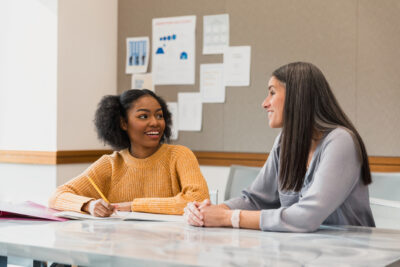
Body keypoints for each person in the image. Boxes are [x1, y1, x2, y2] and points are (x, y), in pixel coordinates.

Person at [184, 62, 375, 232]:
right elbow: (256, 199)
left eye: (272, 92)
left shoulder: (341, 141)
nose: (264, 103)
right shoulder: (285, 142)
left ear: (296, 97)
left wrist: (229, 218)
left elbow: (305, 218)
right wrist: (212, 211)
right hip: (304, 252)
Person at [49, 89, 209, 217]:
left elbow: (198, 200)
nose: (155, 122)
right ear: (123, 123)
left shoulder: (180, 155)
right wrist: (88, 205)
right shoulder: (110, 164)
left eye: (159, 115)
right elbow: (57, 196)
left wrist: (133, 206)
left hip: (170, 250)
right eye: (143, 116)